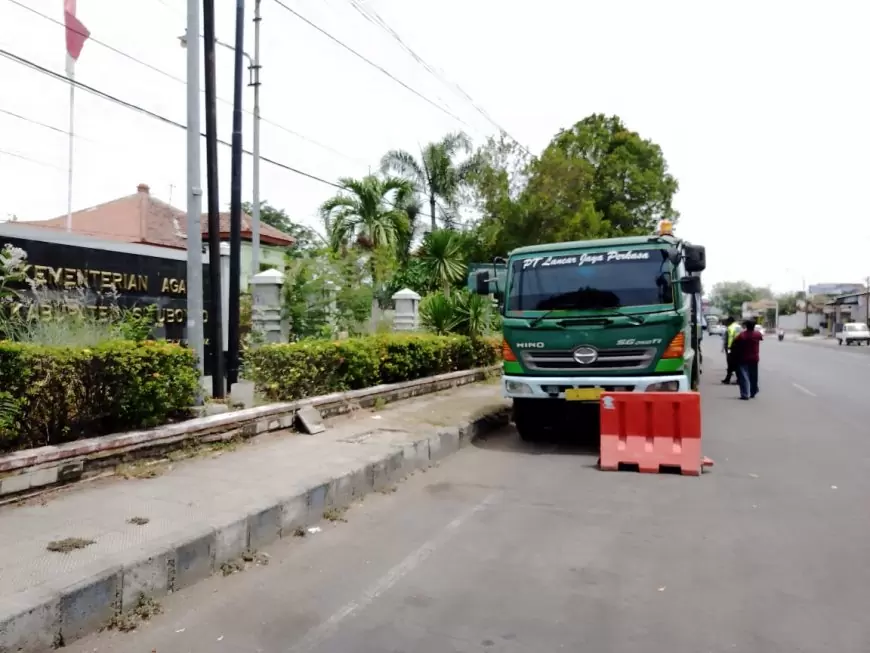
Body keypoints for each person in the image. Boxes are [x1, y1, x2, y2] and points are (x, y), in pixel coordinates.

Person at [732, 319, 763, 400]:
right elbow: (761, 338)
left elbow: (735, 342)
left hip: (743, 358)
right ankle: (753, 392)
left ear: (746, 326)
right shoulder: (757, 334)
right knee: (753, 376)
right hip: (754, 358)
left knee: (744, 376)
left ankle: (745, 394)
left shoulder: (742, 335)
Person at [721, 317, 741, 384]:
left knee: (730, 363)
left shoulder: (730, 328)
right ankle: (732, 379)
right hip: (738, 347)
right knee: (736, 363)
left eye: (727, 321)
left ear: (730, 321)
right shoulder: (738, 326)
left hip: (732, 347)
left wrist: (728, 347)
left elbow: (730, 338)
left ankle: (729, 379)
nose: (726, 323)